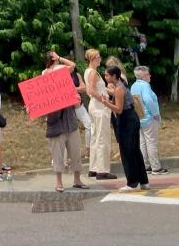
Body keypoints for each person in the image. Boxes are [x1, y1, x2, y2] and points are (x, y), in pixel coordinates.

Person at [42, 51, 88, 192]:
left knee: (71, 151)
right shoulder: (54, 70)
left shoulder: (45, 72)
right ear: (53, 59)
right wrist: (60, 58)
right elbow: (72, 65)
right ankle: (66, 181)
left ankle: (71, 181)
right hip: (58, 118)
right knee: (60, 152)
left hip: (65, 116)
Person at [96, 64, 147, 192]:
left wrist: (105, 103)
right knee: (135, 150)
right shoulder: (120, 86)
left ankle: (132, 182)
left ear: (114, 76)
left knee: (127, 151)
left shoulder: (119, 88)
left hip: (127, 120)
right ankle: (143, 181)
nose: (105, 76)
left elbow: (118, 109)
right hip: (131, 118)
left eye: (107, 75)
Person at [84, 49, 117, 180]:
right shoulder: (93, 73)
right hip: (99, 107)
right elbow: (92, 90)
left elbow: (91, 89)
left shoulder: (88, 72)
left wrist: (106, 92)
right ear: (92, 59)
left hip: (94, 106)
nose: (99, 59)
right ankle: (102, 170)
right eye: (97, 57)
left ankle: (93, 168)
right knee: (102, 137)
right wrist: (104, 99)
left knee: (95, 137)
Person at [131, 66, 167, 175]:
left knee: (142, 142)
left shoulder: (133, 86)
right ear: (143, 76)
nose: (150, 76)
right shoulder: (145, 85)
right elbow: (148, 100)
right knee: (151, 142)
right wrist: (155, 113)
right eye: (147, 74)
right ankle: (156, 167)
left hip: (139, 117)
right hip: (149, 117)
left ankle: (145, 166)